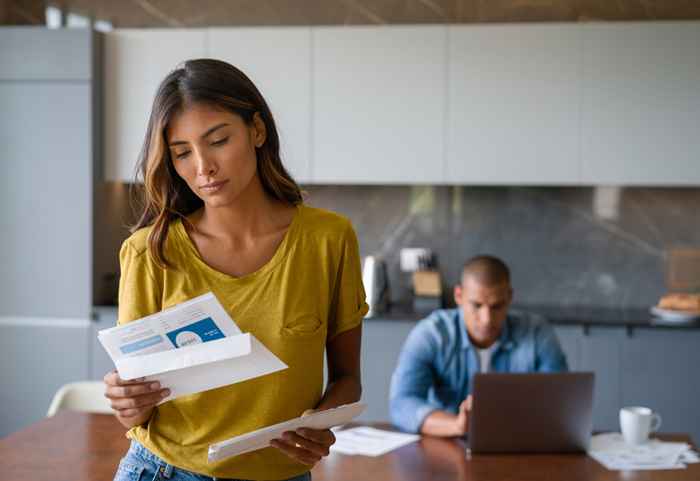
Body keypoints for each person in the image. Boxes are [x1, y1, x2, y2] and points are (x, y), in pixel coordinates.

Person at [103, 58, 368, 481]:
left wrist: (321, 423)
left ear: (257, 131)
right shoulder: (147, 252)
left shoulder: (328, 240)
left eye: (218, 140)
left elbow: (348, 379)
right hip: (163, 471)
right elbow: (140, 410)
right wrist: (127, 400)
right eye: (182, 153)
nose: (203, 167)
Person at [389, 255, 567, 437]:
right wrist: (456, 426)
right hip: (448, 443)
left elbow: (560, 401)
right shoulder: (432, 334)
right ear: (459, 296)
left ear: (509, 297)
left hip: (518, 441)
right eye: (476, 305)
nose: (486, 319)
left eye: (497, 306)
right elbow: (402, 403)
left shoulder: (537, 333)